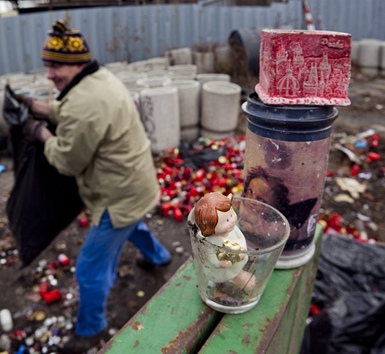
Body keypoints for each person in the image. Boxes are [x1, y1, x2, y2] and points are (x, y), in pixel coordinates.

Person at [22, 19, 171, 354]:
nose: (50, 75)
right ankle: (159, 258)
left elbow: (66, 161)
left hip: (118, 195)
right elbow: (69, 107)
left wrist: (40, 133)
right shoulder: (99, 79)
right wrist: (36, 106)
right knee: (132, 224)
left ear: (77, 64)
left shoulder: (85, 105)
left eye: (55, 66)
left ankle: (91, 328)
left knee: (90, 266)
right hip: (137, 184)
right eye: (48, 65)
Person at [193, 192, 255, 294]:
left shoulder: (234, 230)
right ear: (210, 227)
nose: (231, 221)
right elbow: (209, 255)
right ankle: (216, 285)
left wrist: (243, 250)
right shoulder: (210, 241)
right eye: (226, 220)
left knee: (235, 272)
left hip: (236, 260)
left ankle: (237, 282)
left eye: (231, 215)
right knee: (221, 276)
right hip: (221, 268)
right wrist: (219, 263)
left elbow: (241, 239)